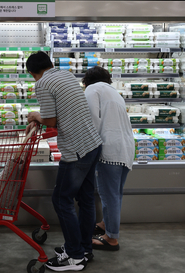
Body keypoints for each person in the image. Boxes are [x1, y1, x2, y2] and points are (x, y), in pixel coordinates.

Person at [26, 51, 102, 271]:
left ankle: (75, 256)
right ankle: (84, 248)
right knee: (86, 200)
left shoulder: (42, 84)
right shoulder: (66, 74)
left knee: (61, 200)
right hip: (92, 144)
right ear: (50, 64)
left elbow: (50, 120)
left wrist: (34, 116)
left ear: (33, 73)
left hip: (76, 149)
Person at [82, 66, 134, 251]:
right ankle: (105, 225)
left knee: (109, 195)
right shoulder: (114, 93)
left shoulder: (92, 89)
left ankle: (111, 239)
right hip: (126, 149)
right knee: (115, 194)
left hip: (110, 150)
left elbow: (91, 121)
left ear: (86, 81)